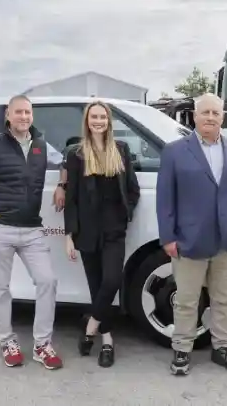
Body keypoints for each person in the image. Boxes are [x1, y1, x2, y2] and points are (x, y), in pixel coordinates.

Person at [156, 93, 227, 376]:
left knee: (224, 300)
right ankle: (182, 349)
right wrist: (168, 237)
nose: (210, 117)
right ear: (195, 116)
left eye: (215, 113)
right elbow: (165, 198)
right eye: (205, 112)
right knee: (186, 300)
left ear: (222, 117)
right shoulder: (175, 151)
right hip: (189, 240)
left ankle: (223, 348)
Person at [0, 94, 65, 370]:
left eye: (27, 112)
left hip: (32, 229)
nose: (23, 117)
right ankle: (7, 341)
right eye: (18, 112)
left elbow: (66, 162)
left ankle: (42, 345)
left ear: (32, 116)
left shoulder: (41, 145)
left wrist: (62, 186)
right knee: (0, 288)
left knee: (47, 281)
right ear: (8, 116)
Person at [63, 100, 139, 368]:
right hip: (87, 231)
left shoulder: (121, 149)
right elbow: (71, 198)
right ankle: (107, 341)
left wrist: (126, 212)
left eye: (102, 117)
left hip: (114, 230)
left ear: (109, 121)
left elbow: (133, 188)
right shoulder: (76, 154)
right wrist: (69, 235)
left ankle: (90, 326)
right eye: (94, 117)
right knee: (97, 289)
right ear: (87, 121)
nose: (98, 121)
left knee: (111, 281)